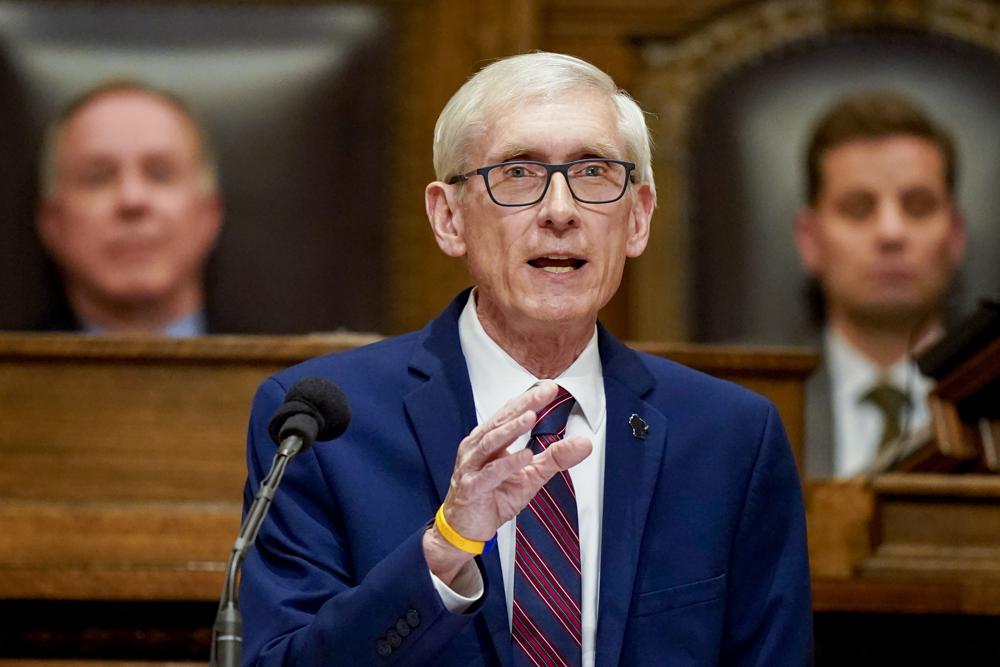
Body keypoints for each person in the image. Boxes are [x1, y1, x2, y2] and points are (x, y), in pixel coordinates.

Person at [240, 52, 811, 666]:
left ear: (638, 217)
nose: (561, 211)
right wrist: (445, 549)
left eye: (593, 172)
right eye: (518, 173)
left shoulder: (731, 439)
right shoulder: (323, 431)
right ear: (449, 217)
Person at [794, 91, 967, 477]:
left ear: (955, 235)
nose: (892, 232)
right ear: (810, 239)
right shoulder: (752, 402)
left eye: (918, 206)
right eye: (859, 208)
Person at [35, 81, 223, 336]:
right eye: (97, 177)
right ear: (53, 223)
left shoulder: (285, 371)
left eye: (160, 174)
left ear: (208, 215)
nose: (132, 200)